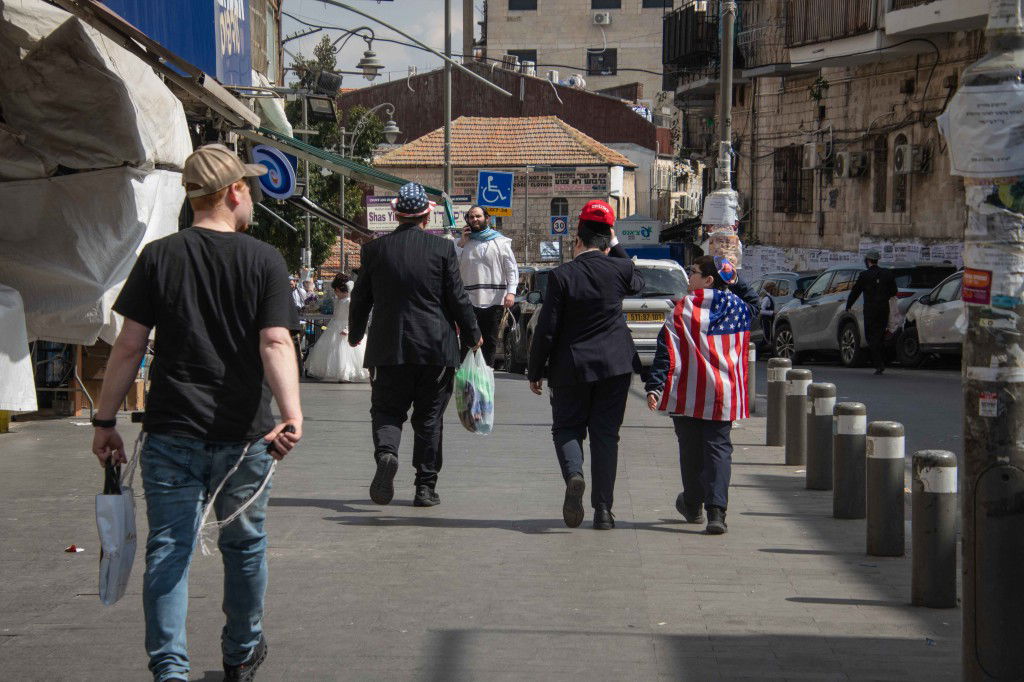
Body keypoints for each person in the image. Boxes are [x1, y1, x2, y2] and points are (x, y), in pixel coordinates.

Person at [90, 143, 302, 681]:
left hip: (171, 432)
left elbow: (129, 346)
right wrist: (292, 413)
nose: (251, 198)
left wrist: (105, 421)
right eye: (249, 188)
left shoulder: (159, 256)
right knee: (245, 546)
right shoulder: (264, 260)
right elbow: (275, 341)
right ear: (234, 192)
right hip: (246, 437)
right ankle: (241, 652)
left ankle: (169, 670)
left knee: (169, 550)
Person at [349, 182, 482, 508]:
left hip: (388, 349)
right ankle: (425, 487)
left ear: (395, 214)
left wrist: (355, 334)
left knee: (386, 410)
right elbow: (457, 298)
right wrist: (473, 333)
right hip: (435, 349)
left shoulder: (375, 250)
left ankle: (387, 454)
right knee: (429, 418)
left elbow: (360, 298)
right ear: (427, 216)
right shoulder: (442, 250)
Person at [527, 199, 644, 530]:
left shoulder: (562, 275)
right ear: (607, 239)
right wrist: (615, 243)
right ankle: (603, 511)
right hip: (615, 366)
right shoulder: (620, 270)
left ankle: (574, 475)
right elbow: (638, 281)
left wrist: (535, 371)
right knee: (606, 436)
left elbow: (547, 328)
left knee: (567, 428)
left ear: (577, 239)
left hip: (572, 366)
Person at [645, 255, 751, 535]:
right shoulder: (738, 308)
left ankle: (693, 504)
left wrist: (655, 386)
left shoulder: (683, 308)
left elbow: (666, 350)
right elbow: (754, 302)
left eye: (693, 272)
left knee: (691, 453)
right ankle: (717, 512)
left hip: (687, 392)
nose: (689, 276)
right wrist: (733, 277)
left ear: (708, 280)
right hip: (722, 393)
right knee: (718, 450)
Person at [455, 205, 519, 367]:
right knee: (468, 342)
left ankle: (487, 377)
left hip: (494, 301)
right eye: (471, 217)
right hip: (468, 301)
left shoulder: (500, 242)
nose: (475, 219)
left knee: (489, 343)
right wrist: (462, 242)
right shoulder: (461, 243)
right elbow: (453, 267)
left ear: (487, 219)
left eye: (478, 216)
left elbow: (511, 269)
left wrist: (511, 292)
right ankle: (468, 380)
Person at [305, 274, 369, 383]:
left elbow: (353, 317)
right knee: (335, 352)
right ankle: (340, 373)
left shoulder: (349, 301)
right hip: (335, 326)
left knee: (345, 353)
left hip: (344, 327)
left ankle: (346, 373)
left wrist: (348, 329)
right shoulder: (339, 301)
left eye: (336, 291)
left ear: (340, 290)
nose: (335, 293)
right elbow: (336, 315)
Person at [846, 250, 897, 375]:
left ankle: (879, 364)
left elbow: (855, 291)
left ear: (868, 261)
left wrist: (848, 305)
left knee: (871, 337)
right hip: (883, 309)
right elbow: (894, 291)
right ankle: (882, 360)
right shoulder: (887, 273)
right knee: (880, 335)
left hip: (870, 311)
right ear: (877, 260)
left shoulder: (864, 275)